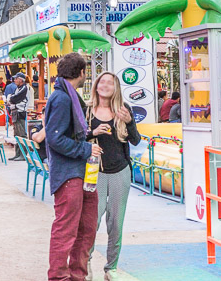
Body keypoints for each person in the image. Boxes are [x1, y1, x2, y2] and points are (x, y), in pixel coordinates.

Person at [45, 52, 102, 281]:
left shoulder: (66, 96)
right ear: (82, 73)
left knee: (86, 228)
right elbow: (55, 138)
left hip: (80, 172)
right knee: (67, 229)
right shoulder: (62, 98)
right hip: (69, 173)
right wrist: (86, 149)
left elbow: (63, 133)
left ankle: (77, 275)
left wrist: (89, 136)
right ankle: (59, 277)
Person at [85, 72, 141, 280]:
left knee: (116, 222)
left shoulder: (124, 109)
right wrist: (93, 133)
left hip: (120, 171)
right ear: (97, 85)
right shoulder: (87, 109)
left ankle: (111, 268)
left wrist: (129, 122)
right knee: (91, 221)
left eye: (110, 82)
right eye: (102, 81)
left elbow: (135, 140)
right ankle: (86, 263)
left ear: (116, 87)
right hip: (94, 172)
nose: (105, 85)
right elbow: (76, 137)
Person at [8, 73, 31, 161]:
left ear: (21, 80)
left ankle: (23, 154)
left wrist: (10, 99)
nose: (14, 80)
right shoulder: (18, 88)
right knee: (16, 134)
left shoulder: (24, 88)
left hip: (20, 112)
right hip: (15, 112)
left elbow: (13, 99)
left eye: (16, 79)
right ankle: (17, 153)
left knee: (21, 134)